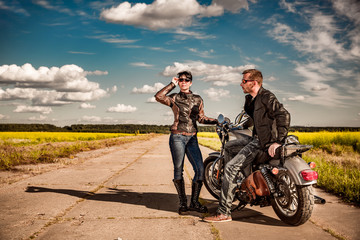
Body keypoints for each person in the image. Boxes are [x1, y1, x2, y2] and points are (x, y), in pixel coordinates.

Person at [203, 69, 290, 222]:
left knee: (230, 167)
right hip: (256, 138)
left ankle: (224, 212)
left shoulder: (266, 97)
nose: (241, 84)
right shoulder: (253, 99)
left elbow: (283, 114)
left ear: (254, 83)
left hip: (262, 142)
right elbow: (254, 119)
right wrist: (238, 126)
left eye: (244, 81)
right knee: (229, 147)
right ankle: (236, 183)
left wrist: (278, 141)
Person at [155, 71, 218, 215]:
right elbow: (158, 96)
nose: (183, 82)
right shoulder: (174, 97)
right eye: (181, 80)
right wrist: (172, 84)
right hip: (177, 136)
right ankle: (183, 203)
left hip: (192, 138)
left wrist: (216, 121)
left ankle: (194, 202)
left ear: (191, 82)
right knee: (178, 169)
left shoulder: (198, 99)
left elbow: (201, 118)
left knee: (200, 169)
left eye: (186, 80)